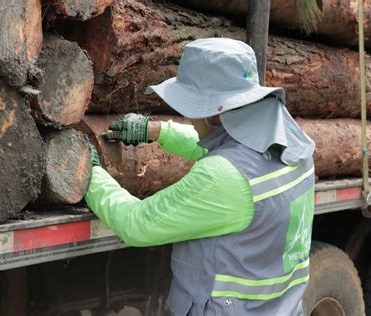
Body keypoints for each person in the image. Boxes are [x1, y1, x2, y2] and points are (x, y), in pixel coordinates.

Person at [85, 38, 316, 315]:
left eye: (191, 111)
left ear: (216, 115)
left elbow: (137, 224)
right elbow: (232, 147)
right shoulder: (294, 147)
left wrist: (91, 172)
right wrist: (157, 130)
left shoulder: (223, 178)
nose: (189, 118)